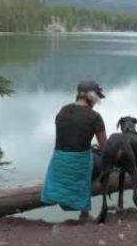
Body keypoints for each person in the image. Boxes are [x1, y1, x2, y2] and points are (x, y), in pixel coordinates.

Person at [41, 80, 107, 220]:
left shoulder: (63, 110)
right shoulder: (95, 117)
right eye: (97, 98)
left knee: (89, 154)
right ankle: (85, 213)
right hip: (80, 163)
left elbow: (69, 138)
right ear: (92, 96)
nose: (97, 101)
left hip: (58, 163)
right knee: (102, 161)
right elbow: (105, 148)